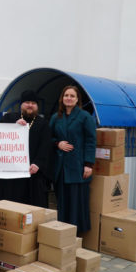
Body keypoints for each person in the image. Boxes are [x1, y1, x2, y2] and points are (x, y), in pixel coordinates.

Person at [49, 85, 96, 233]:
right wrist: (57, 143)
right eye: (66, 95)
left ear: (77, 100)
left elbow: (91, 141)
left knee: (76, 202)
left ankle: (76, 233)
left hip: (77, 166)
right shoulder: (56, 117)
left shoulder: (85, 117)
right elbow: (48, 137)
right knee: (62, 201)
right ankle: (62, 232)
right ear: (62, 98)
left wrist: (89, 164)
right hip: (60, 167)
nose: (68, 98)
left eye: (72, 96)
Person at [0, 90, 51, 207]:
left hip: (33, 173)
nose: (30, 105)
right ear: (21, 104)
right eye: (27, 102)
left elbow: (46, 146)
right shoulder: (9, 118)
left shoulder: (43, 123)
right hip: (12, 174)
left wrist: (38, 163)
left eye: (33, 103)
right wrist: (13, 127)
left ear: (37, 106)